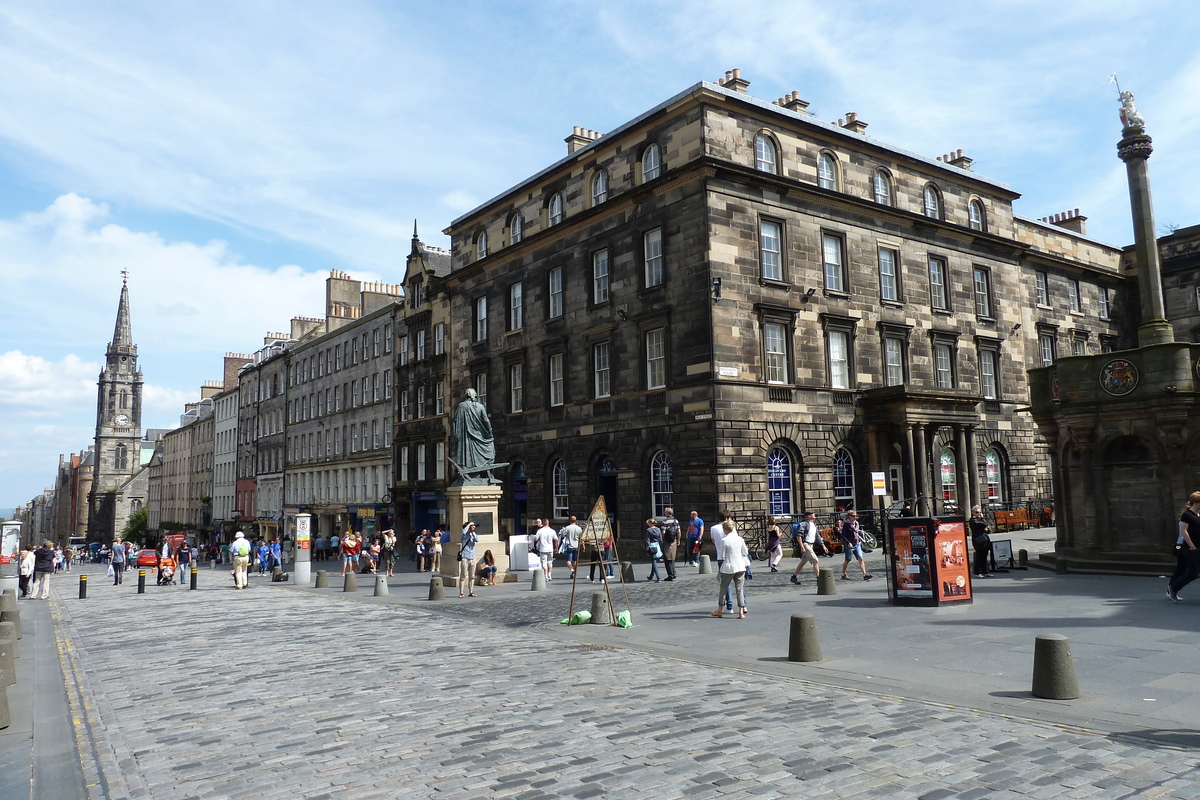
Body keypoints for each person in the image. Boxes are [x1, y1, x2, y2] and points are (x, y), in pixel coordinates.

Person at [712, 521, 749, 619]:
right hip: (740, 566)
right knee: (739, 589)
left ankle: (720, 610)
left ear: (725, 530)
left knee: (723, 588)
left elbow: (722, 555)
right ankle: (741, 612)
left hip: (729, 566)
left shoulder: (725, 540)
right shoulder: (740, 539)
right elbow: (745, 552)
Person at [1168, 491, 1200, 602]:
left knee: (1190, 571)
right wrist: (1191, 546)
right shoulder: (1187, 515)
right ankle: (1173, 588)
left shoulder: (1198, 515)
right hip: (1191, 548)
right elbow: (1184, 531)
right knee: (1192, 573)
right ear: (1195, 502)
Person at [711, 511, 736, 612]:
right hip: (733, 557)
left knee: (726, 583)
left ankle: (729, 606)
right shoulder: (732, 528)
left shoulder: (713, 528)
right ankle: (743, 606)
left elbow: (713, 541)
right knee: (738, 583)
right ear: (727, 518)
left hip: (721, 557)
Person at [790, 511, 822, 586]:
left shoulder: (814, 524)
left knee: (803, 562)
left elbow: (817, 536)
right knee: (815, 561)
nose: (815, 515)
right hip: (805, 544)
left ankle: (794, 577)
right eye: (813, 514)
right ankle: (819, 579)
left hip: (810, 545)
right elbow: (799, 535)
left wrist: (823, 545)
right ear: (808, 516)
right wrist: (802, 546)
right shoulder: (803, 524)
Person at [840, 511, 873, 581]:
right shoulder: (847, 524)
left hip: (856, 543)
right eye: (853, 516)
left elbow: (857, 533)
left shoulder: (856, 523)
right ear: (849, 516)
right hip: (850, 544)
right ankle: (843, 574)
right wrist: (848, 542)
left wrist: (860, 541)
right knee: (848, 559)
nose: (855, 517)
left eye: (856, 516)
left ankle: (865, 574)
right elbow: (843, 535)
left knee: (860, 558)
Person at [969, 506, 992, 578]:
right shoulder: (973, 520)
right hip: (978, 540)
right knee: (979, 556)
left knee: (984, 556)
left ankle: (985, 571)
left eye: (980, 512)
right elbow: (983, 524)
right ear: (973, 513)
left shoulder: (980, 520)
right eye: (977, 512)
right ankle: (977, 572)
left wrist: (986, 529)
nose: (979, 514)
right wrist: (983, 519)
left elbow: (987, 529)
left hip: (985, 539)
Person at [458, 522, 479, 598]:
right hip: (465, 558)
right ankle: (461, 592)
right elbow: (464, 532)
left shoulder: (472, 535)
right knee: (463, 576)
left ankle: (471, 591)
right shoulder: (463, 536)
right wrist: (469, 525)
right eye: (471, 527)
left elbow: (477, 539)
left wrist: (473, 532)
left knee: (472, 576)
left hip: (472, 557)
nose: (472, 528)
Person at [660, 507, 681, 581]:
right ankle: (674, 572)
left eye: (665, 512)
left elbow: (663, 532)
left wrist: (661, 540)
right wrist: (678, 540)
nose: (664, 513)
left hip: (667, 541)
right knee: (672, 557)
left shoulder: (665, 521)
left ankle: (670, 575)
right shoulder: (676, 521)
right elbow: (678, 532)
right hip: (674, 540)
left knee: (667, 558)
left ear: (668, 513)